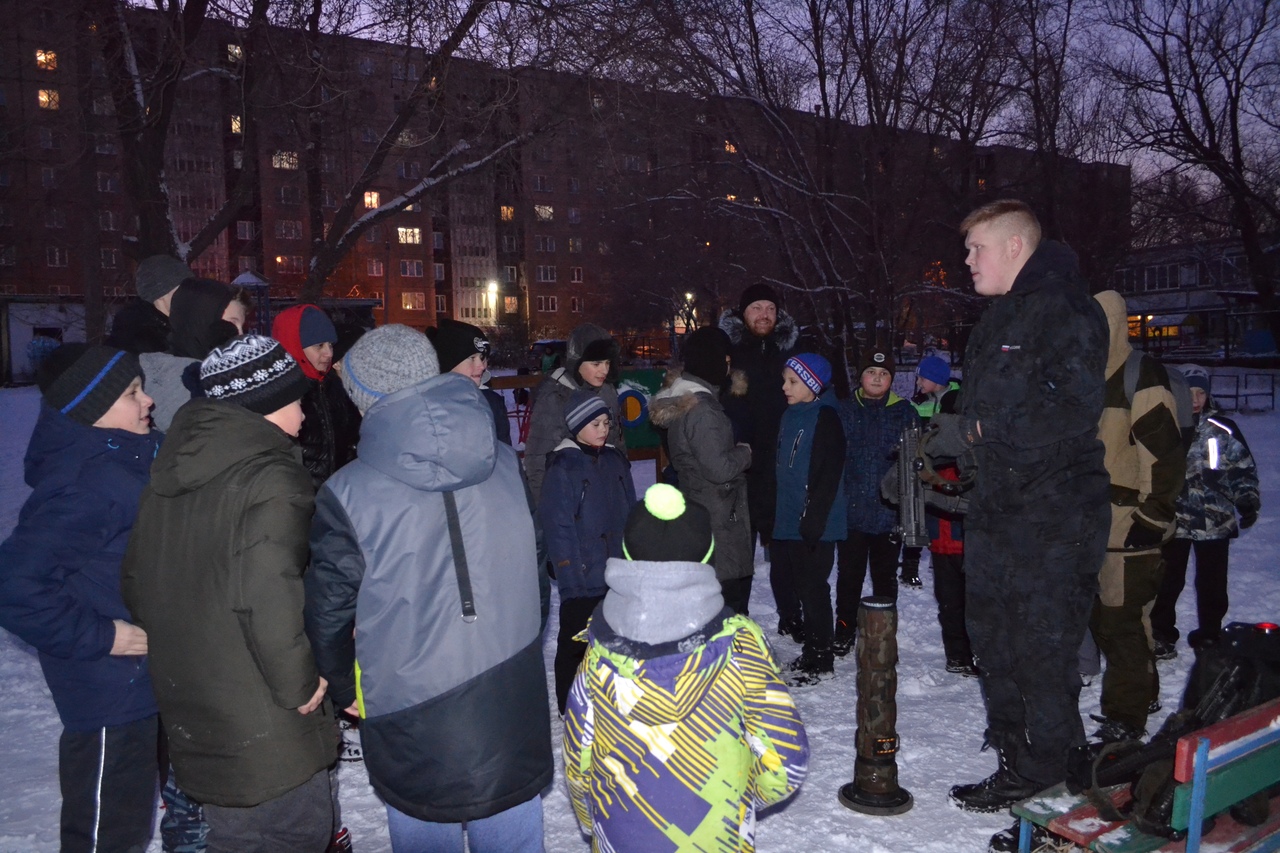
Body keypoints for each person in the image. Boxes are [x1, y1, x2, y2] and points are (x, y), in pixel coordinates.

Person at [305, 325, 552, 853]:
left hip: (407, 706)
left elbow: (328, 612)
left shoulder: (347, 492)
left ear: (364, 398)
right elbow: (537, 573)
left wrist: (346, 688)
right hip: (508, 698)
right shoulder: (505, 464)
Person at [920, 200, 1109, 851]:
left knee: (1042, 654)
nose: (967, 261)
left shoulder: (1065, 310)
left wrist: (976, 431)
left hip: (1053, 518)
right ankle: (1020, 765)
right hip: (998, 513)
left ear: (1016, 245)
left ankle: (1056, 789)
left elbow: (1072, 410)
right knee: (994, 641)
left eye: (976, 249)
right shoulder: (1000, 314)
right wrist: (947, 450)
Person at [122, 335, 337, 853]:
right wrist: (299, 686)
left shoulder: (173, 471)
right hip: (267, 718)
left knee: (235, 838)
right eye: (293, 400)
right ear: (263, 406)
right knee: (296, 834)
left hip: (200, 710)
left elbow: (135, 581)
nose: (304, 414)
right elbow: (266, 594)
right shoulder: (274, 478)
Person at [562, 484, 809, 853]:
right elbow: (785, 759)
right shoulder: (740, 647)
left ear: (628, 557)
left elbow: (578, 762)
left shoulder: (598, 652)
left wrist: (596, 821)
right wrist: (739, 800)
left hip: (624, 838)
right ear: (706, 555)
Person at [0, 345, 161, 853]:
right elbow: (14, 586)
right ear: (92, 410)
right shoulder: (88, 483)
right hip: (109, 691)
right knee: (107, 833)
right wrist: (104, 635)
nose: (149, 400)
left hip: (141, 683)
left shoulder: (126, 457)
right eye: (133, 392)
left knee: (131, 819)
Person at [1086, 291, 1187, 743]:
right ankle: (1139, 697)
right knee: (1112, 622)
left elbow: (1164, 454)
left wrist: (1153, 515)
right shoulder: (1084, 375)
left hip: (1129, 527)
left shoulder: (1138, 374)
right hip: (1091, 526)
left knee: (1123, 624)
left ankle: (1125, 721)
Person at [1151, 364, 1260, 657]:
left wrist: (1246, 499)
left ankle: (1210, 634)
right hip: (1173, 520)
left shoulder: (1222, 429)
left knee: (1212, 583)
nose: (1196, 398)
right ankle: (1161, 633)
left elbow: (1242, 469)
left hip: (1215, 519)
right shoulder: (1164, 427)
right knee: (1167, 580)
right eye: (1189, 392)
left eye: (1201, 392)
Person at [540, 387, 637, 714]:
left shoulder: (615, 461)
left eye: (606, 423)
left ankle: (613, 697)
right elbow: (558, 525)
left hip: (616, 569)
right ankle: (569, 702)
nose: (603, 429)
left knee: (616, 638)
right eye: (595, 424)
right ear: (577, 426)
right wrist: (568, 568)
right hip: (582, 573)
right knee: (575, 641)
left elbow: (630, 512)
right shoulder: (563, 466)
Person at [650, 327, 754, 614]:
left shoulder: (683, 398)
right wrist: (745, 453)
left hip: (700, 507)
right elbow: (719, 468)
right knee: (724, 604)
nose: (730, 367)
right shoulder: (703, 410)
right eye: (726, 360)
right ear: (715, 361)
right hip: (717, 514)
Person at [834, 347, 919, 656]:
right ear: (861, 376)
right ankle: (843, 630)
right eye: (872, 372)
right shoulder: (843, 410)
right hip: (850, 511)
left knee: (884, 578)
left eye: (884, 374)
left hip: (888, 513)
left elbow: (914, 462)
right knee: (849, 577)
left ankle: (885, 634)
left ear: (891, 380)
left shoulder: (904, 412)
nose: (877, 378)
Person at [774, 353, 847, 687]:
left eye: (793, 381)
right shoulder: (792, 414)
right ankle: (812, 651)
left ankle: (821, 658)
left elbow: (827, 474)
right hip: (791, 517)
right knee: (802, 587)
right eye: (785, 380)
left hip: (815, 521)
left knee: (814, 589)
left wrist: (813, 519)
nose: (785, 387)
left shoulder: (825, 416)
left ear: (812, 385)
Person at [719, 283, 804, 557]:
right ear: (743, 313)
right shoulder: (726, 350)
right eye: (756, 308)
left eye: (770, 308)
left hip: (780, 456)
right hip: (739, 457)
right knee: (738, 544)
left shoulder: (791, 351)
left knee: (783, 544)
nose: (764, 314)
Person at [909, 360, 976, 677]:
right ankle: (958, 655)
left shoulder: (967, 452)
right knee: (949, 598)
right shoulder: (923, 408)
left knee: (970, 596)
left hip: (965, 526)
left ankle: (974, 652)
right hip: (941, 527)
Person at [524, 323, 626, 502]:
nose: (604, 370)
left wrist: (623, 483)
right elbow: (538, 458)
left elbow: (617, 442)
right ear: (577, 362)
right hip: (569, 495)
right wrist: (547, 510)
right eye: (596, 364)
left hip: (605, 489)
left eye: (607, 363)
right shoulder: (555, 397)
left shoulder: (607, 391)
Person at [272, 303, 362, 488]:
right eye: (319, 345)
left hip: (336, 495)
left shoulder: (335, 385)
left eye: (330, 344)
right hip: (299, 498)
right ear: (295, 345)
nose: (329, 353)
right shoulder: (280, 393)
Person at [141, 277, 239, 431]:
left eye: (242, 325)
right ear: (200, 320)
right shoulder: (179, 382)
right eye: (232, 324)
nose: (240, 334)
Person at [900, 354, 960, 588]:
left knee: (945, 516)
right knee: (914, 515)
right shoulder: (919, 403)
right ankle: (909, 568)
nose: (918, 383)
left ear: (936, 380)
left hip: (948, 472)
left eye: (922, 379)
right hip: (922, 469)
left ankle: (945, 560)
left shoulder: (957, 402)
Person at [429, 318, 511, 444]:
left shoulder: (492, 403)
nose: (482, 366)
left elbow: (505, 454)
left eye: (482, 358)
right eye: (472, 358)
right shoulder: (428, 407)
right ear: (448, 362)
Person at [107, 254, 194, 354]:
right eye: (182, 288)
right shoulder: (137, 338)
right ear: (161, 294)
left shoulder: (179, 324)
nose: (189, 293)